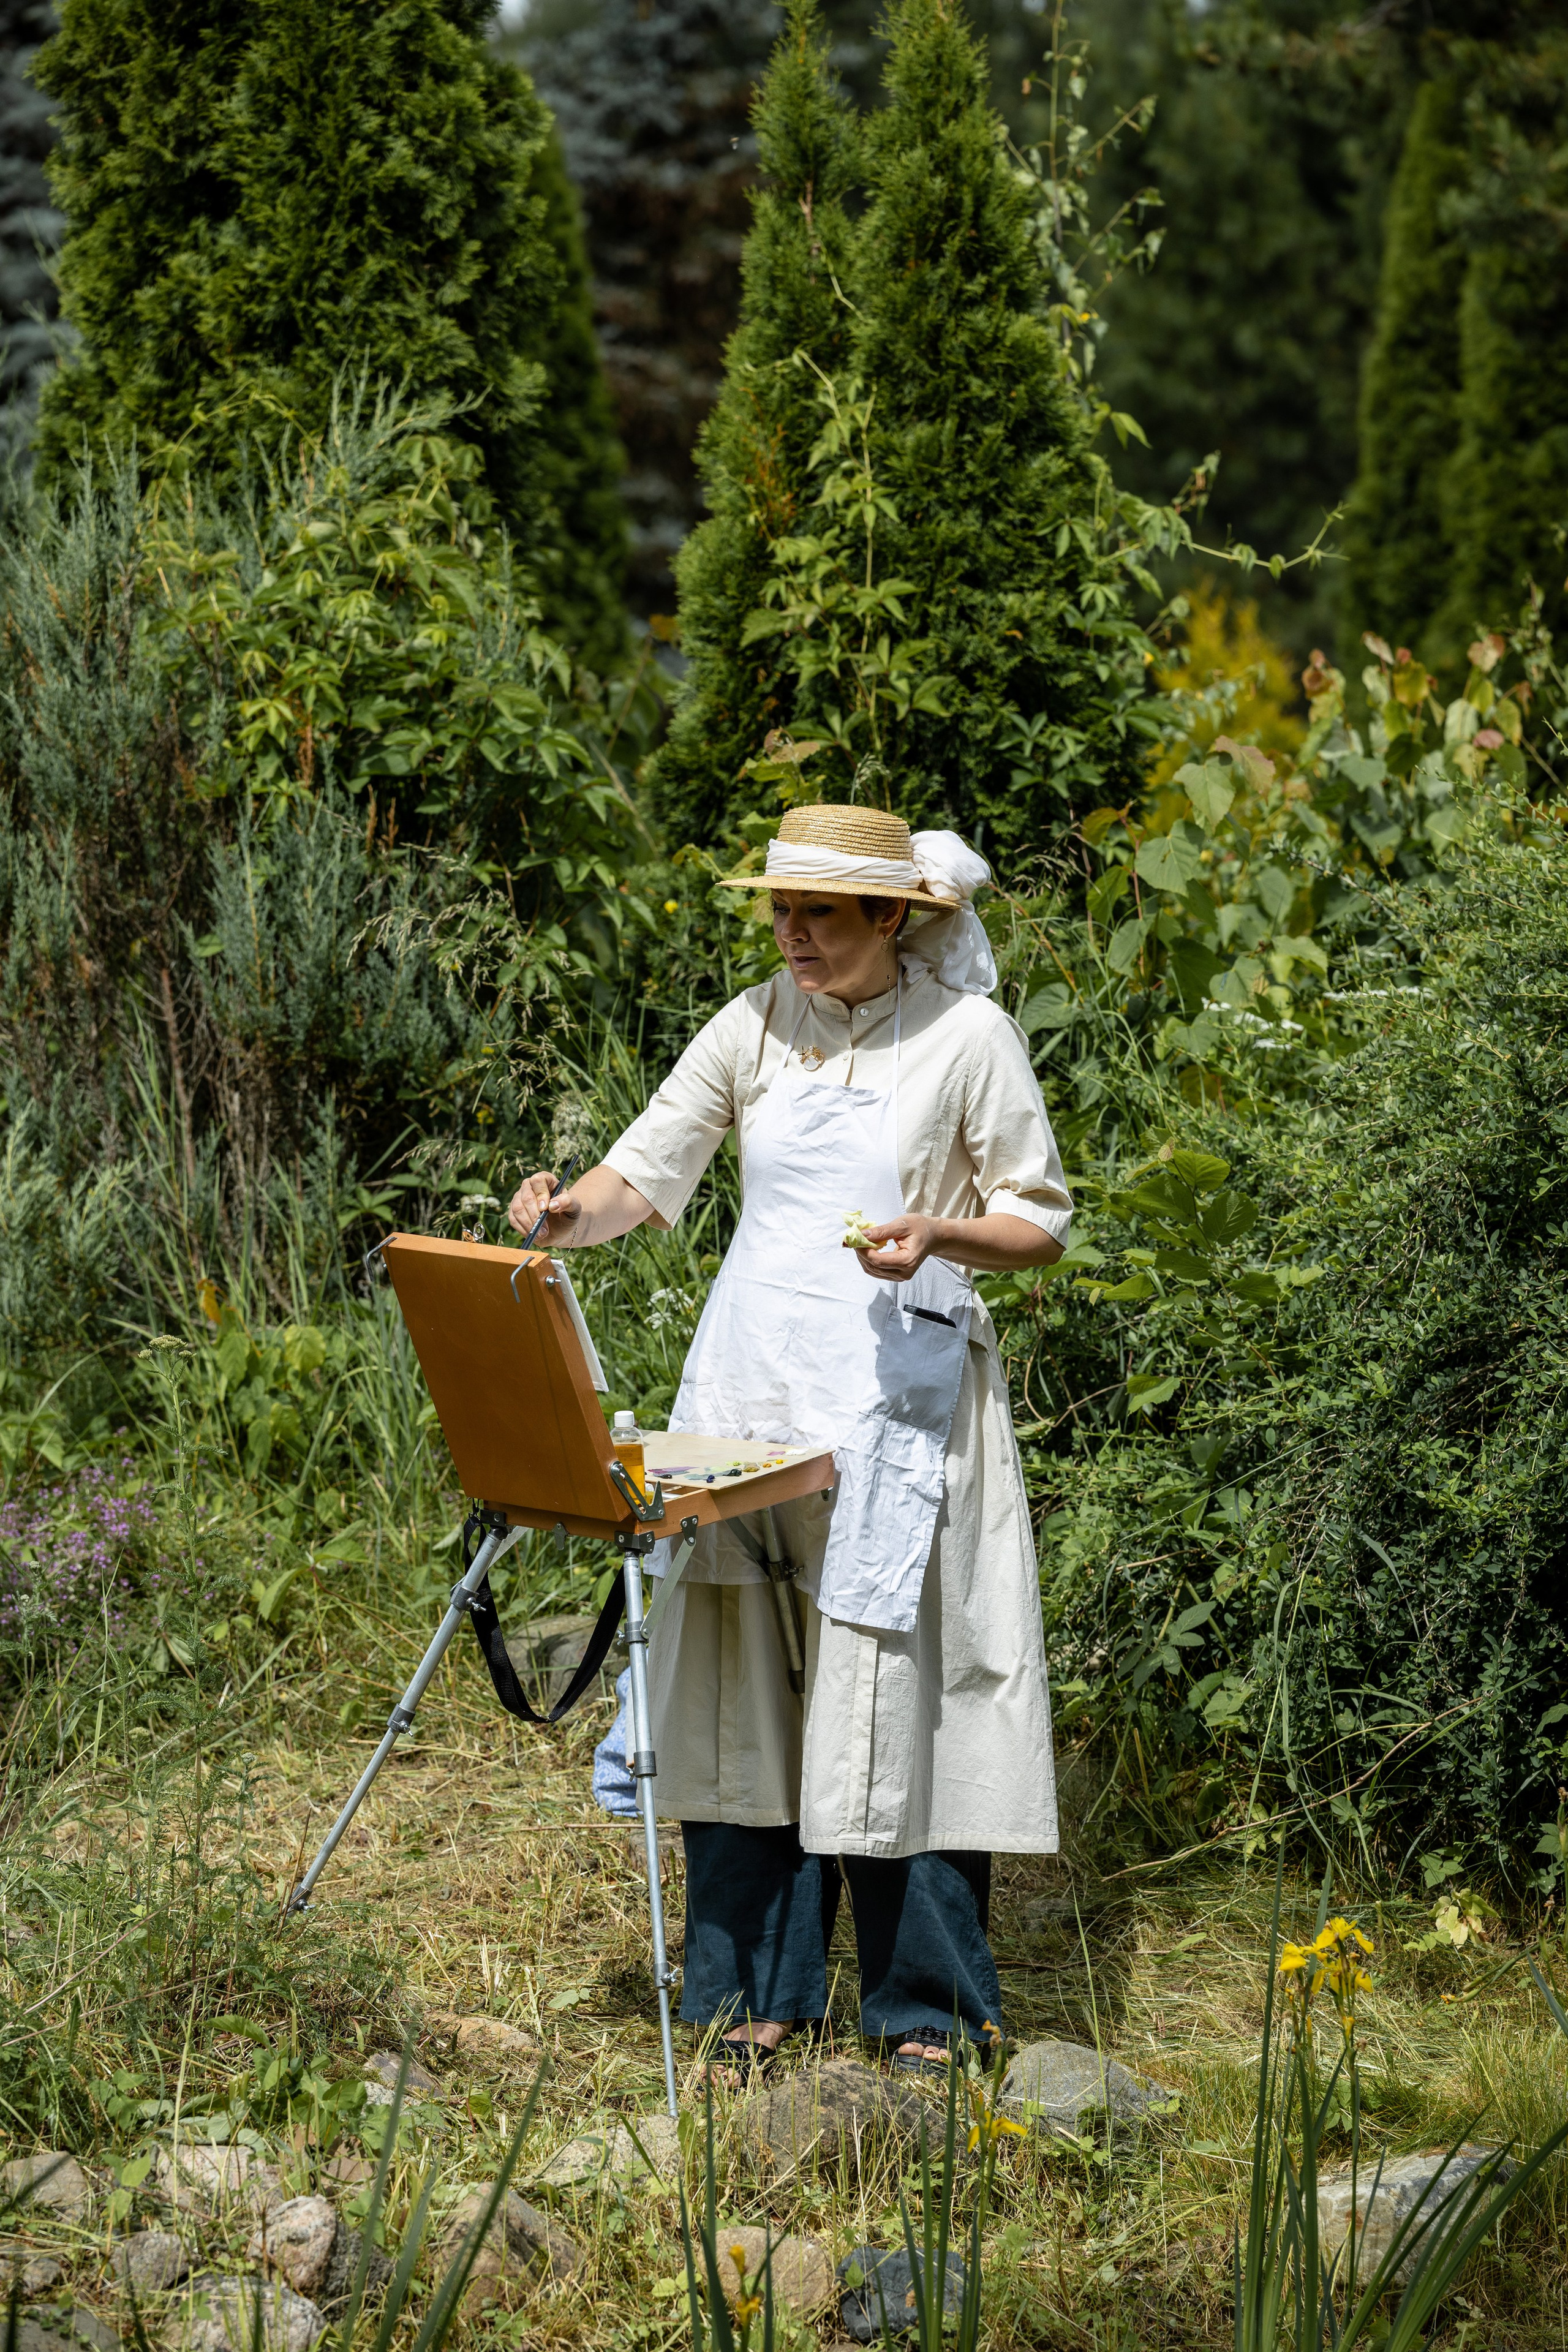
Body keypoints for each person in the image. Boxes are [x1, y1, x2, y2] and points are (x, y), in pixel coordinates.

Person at [508, 803, 1070, 2079]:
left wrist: (937, 1232)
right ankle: (755, 1995)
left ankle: (920, 2011)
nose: (792, 933)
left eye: (819, 912)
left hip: (898, 1413)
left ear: (894, 916)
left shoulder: (966, 1039)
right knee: (740, 1700)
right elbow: (640, 1180)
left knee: (896, 1703)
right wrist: (556, 1213)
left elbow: (1037, 1218)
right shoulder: (752, 1024)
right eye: (780, 909)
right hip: (753, 1403)